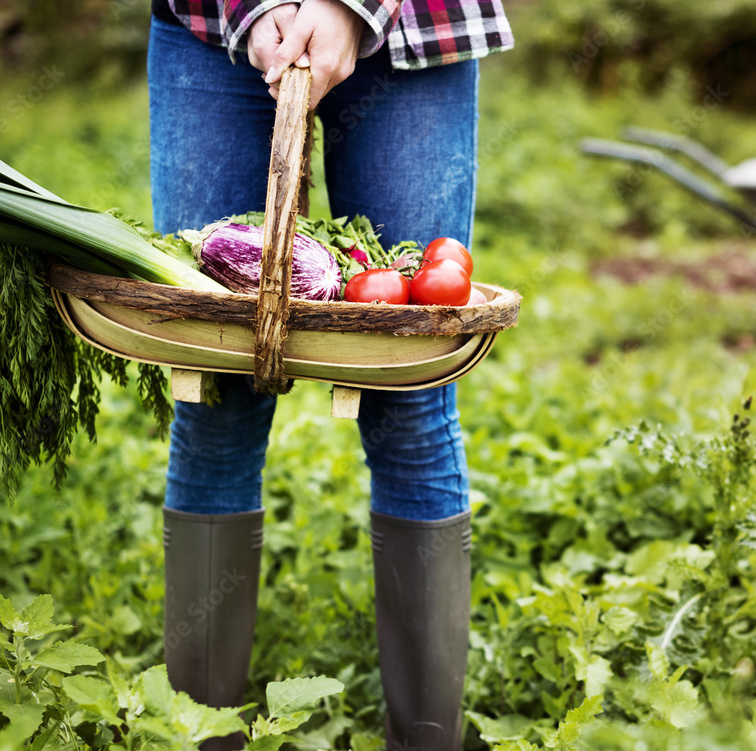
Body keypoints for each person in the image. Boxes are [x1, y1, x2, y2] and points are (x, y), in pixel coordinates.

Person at [148, 1, 512, 749]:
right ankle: (201, 732)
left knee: (409, 389)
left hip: (415, 27)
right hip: (214, 27)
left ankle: (427, 737)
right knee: (216, 387)